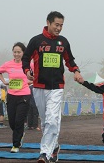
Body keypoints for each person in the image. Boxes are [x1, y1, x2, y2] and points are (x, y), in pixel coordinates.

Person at [22, 11, 82, 163]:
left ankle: (44, 154)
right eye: (56, 25)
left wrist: (76, 71)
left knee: (52, 120)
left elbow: (70, 61)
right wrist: (27, 71)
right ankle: (54, 147)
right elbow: (25, 57)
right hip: (39, 86)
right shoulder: (36, 41)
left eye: (61, 25)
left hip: (56, 87)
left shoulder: (63, 42)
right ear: (48, 23)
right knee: (45, 121)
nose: (59, 28)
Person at [0, 42, 31, 153]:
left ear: (23, 53)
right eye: (15, 52)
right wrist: (4, 82)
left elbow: (37, 75)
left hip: (24, 95)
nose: (16, 54)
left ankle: (15, 145)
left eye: (19, 52)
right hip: (11, 95)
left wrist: (30, 81)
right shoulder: (8, 64)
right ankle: (20, 134)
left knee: (18, 121)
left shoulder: (29, 64)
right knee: (12, 122)